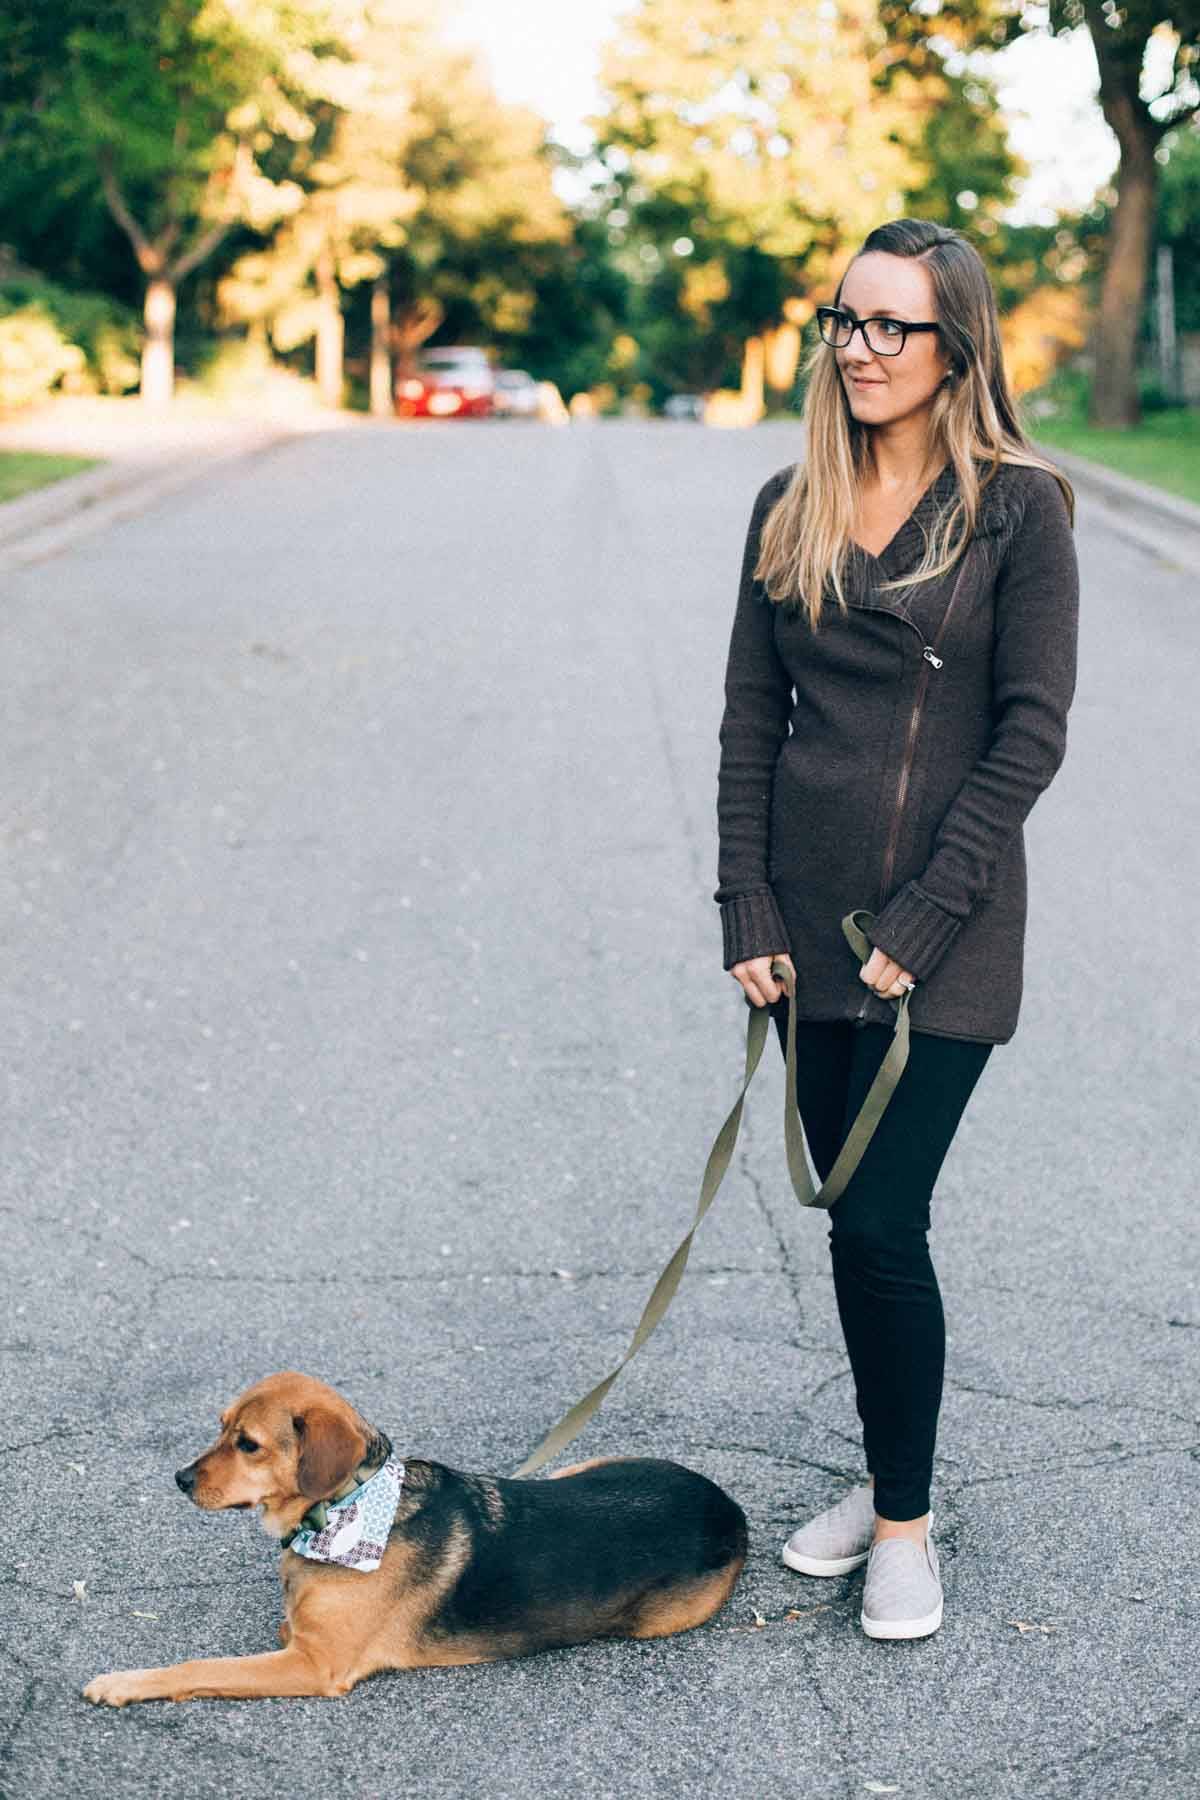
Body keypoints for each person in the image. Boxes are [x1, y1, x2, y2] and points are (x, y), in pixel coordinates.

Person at [714, 217, 1080, 1641]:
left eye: (893, 327)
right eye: (847, 321)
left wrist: (929, 913)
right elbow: (755, 717)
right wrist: (745, 901)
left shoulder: (1015, 511)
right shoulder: (785, 500)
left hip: (950, 932)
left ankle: (906, 1531)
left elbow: (1030, 732)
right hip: (804, 931)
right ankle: (888, 1478)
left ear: (956, 349)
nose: (861, 349)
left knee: (880, 1217)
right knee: (856, 1235)